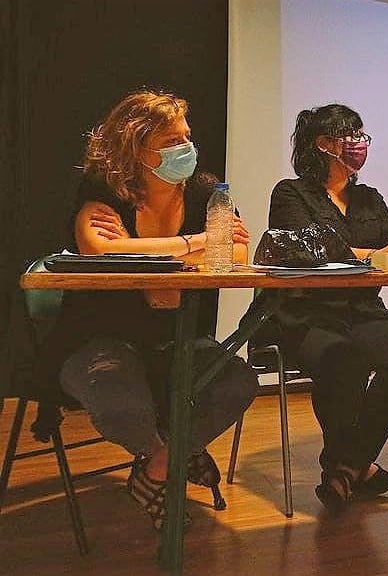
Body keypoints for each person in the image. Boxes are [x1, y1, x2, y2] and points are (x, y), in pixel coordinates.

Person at [41, 90, 258, 530]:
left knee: (237, 380)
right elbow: (100, 250)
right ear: (137, 148)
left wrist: (137, 248)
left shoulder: (204, 192)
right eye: (172, 141)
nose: (186, 149)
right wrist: (193, 244)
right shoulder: (103, 190)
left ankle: (159, 468)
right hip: (97, 340)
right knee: (121, 401)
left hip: (174, 339)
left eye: (187, 137)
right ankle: (178, 456)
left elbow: (236, 251)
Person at [266, 104, 388, 512]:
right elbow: (312, 251)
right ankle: (354, 466)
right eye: (350, 135)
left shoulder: (369, 198)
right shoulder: (291, 193)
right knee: (345, 358)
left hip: (362, 311)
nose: (360, 143)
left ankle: (346, 465)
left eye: (362, 135)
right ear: (323, 144)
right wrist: (378, 254)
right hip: (306, 313)